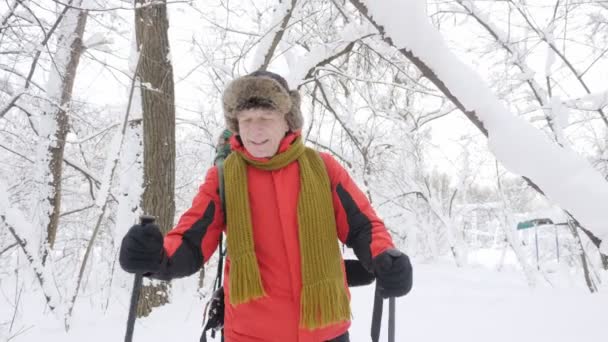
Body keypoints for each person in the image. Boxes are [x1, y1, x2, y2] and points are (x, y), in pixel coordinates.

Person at [119, 70, 413, 342]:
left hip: (325, 332)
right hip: (250, 334)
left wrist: (385, 257)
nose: (255, 130)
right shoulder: (223, 177)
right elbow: (192, 240)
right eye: (246, 120)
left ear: (288, 121)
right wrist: (156, 257)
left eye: (266, 118)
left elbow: (363, 226)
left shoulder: (323, 169)